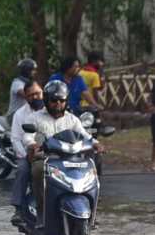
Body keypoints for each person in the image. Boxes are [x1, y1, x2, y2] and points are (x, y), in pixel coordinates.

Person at [28, 80, 102, 224]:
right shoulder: (36, 118)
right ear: (46, 100)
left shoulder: (72, 119)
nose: (58, 104)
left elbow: (85, 135)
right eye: (54, 100)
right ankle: (41, 210)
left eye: (62, 100)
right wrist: (33, 144)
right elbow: (27, 137)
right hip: (45, 158)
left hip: (70, 159)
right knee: (37, 170)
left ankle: (92, 211)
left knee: (91, 168)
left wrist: (96, 143)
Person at [9, 80, 45, 225]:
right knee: (23, 169)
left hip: (52, 153)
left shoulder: (52, 110)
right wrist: (26, 155)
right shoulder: (20, 114)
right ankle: (18, 209)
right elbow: (16, 139)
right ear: (26, 97)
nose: (35, 97)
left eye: (38, 93)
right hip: (27, 154)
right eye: (31, 95)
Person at [7, 58, 37, 124]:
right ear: (26, 71)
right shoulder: (17, 83)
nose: (35, 72)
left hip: (26, 114)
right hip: (14, 114)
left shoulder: (30, 83)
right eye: (32, 70)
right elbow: (25, 94)